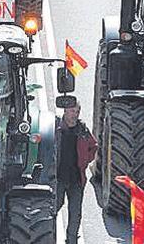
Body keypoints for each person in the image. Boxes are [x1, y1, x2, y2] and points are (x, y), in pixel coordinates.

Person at [55, 98, 97, 244]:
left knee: (75, 213)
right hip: (58, 178)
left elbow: (93, 146)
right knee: (53, 209)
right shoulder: (56, 128)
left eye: (77, 111)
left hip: (76, 179)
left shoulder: (82, 129)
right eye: (72, 111)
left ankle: (71, 241)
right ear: (65, 111)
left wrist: (85, 161)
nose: (75, 114)